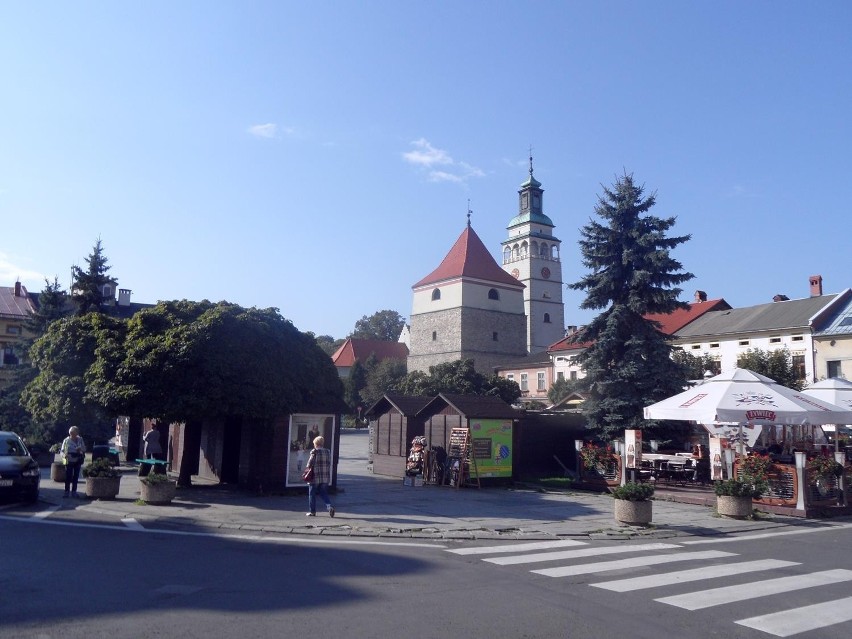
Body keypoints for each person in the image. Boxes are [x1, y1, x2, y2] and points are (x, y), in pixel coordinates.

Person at [305, 435, 334, 518]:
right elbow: (329, 463)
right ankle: (329, 507)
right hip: (325, 476)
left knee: (312, 494)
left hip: (315, 476)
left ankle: (312, 511)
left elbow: (309, 464)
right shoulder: (327, 451)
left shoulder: (314, 452)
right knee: (323, 492)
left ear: (316, 443)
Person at [61, 426, 86, 498]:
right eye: (71, 433)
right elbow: (62, 451)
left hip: (78, 459)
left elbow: (84, 449)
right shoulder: (66, 440)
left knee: (76, 476)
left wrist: (80, 449)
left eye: (74, 433)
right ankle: (66, 492)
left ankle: (74, 492)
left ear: (76, 433)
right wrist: (64, 455)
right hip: (69, 460)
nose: (72, 435)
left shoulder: (80, 440)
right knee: (68, 476)